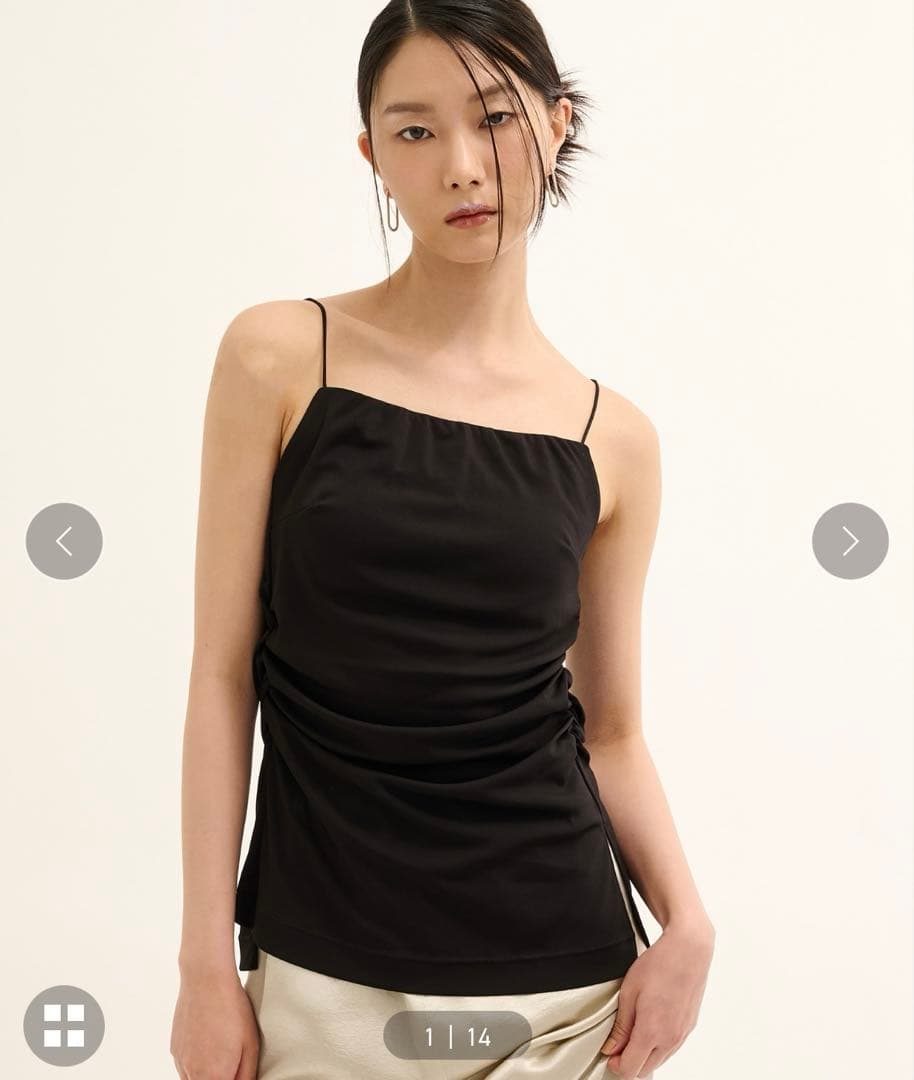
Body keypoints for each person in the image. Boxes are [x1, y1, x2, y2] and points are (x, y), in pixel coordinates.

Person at [170, 2, 715, 1078]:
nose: (462, 165)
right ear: (372, 155)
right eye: (415, 131)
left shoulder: (613, 440)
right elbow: (222, 676)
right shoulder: (280, 357)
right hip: (323, 973)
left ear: (555, 123)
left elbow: (610, 732)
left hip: (564, 987)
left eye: (495, 117)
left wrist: (687, 920)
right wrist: (201, 964)